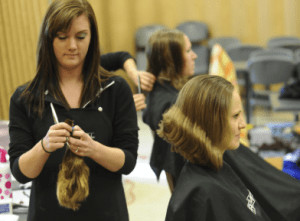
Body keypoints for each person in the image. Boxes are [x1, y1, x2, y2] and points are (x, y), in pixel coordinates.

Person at [8, 0, 138, 220]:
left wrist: (94, 149)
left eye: (80, 37)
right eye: (62, 37)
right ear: (49, 39)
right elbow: (21, 173)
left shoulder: (115, 89)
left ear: (92, 37)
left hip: (106, 213)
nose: (72, 46)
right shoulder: (26, 97)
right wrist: (44, 146)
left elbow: (128, 161)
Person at [158, 75, 300, 221]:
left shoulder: (216, 167)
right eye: (235, 116)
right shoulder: (203, 194)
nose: (243, 124)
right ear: (211, 122)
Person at [142, 28, 197, 191]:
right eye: (188, 51)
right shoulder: (172, 104)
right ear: (171, 60)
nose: (195, 55)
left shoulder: (161, 91)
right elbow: (178, 165)